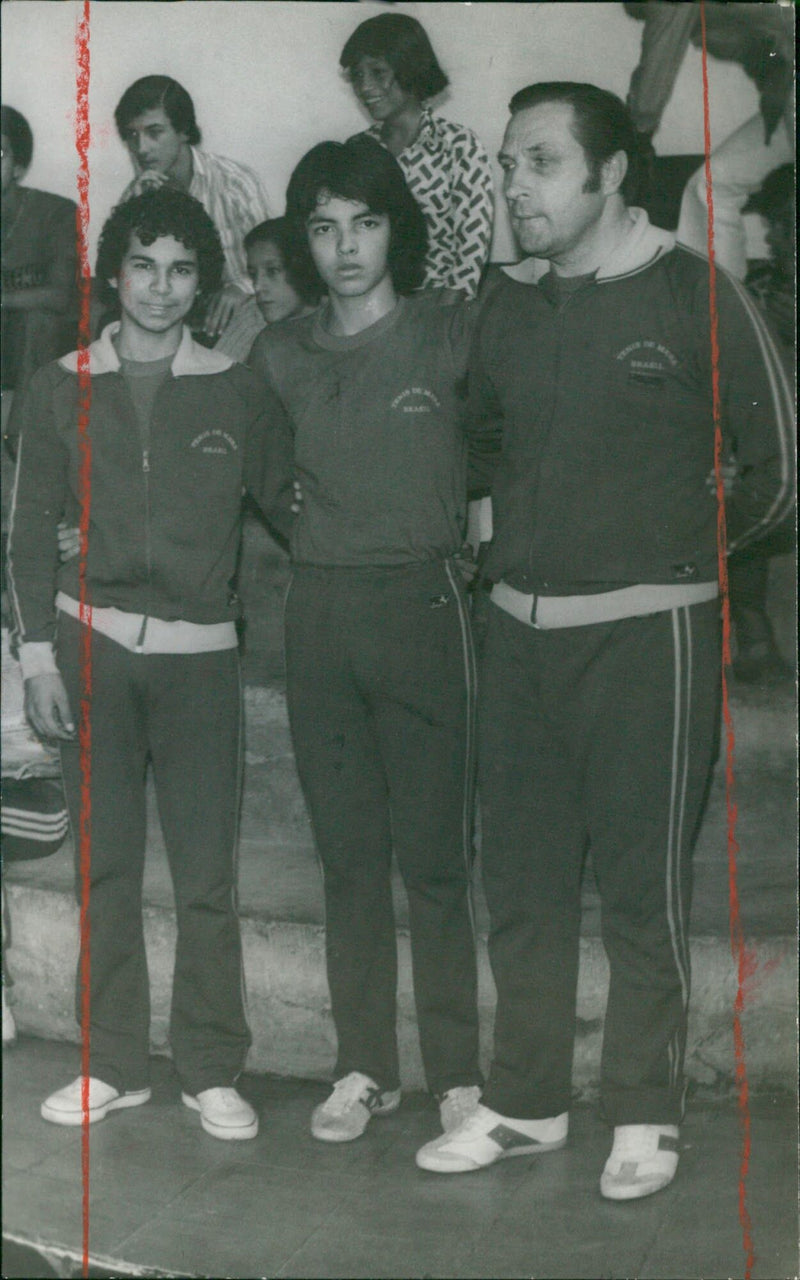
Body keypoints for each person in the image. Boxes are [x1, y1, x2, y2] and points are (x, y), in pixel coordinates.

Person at [415, 82, 793, 1197]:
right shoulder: (506, 305)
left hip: (646, 639)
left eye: (538, 163)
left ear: (610, 171)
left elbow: (779, 470)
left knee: (640, 889)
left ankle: (642, 1107)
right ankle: (524, 1100)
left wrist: (684, 553)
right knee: (523, 886)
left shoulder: (695, 296)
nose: (511, 185)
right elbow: (476, 436)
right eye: (505, 163)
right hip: (518, 637)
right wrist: (488, 531)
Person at [6, 188, 293, 1139]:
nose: (160, 288)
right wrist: (38, 656)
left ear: (202, 283)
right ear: (112, 275)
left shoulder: (237, 388)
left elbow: (295, 505)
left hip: (199, 665)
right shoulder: (59, 385)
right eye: (143, 266)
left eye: (180, 270)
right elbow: (26, 538)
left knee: (208, 874)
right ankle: (113, 1062)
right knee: (107, 867)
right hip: (90, 655)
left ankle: (212, 1066)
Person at [248, 135, 482, 1145]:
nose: (345, 245)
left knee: (432, 858)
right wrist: (303, 520)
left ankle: (460, 1076)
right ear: (305, 239)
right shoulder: (278, 352)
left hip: (426, 609)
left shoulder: (451, 334)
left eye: (366, 221)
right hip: (322, 616)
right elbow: (259, 473)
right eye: (324, 226)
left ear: (398, 227)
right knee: (348, 857)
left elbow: (505, 447)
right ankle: (362, 1067)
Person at [624, 2, 794, 280]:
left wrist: (635, 138)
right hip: (785, 92)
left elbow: (653, 81)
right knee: (712, 186)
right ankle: (725, 307)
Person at [340, 12, 494, 300]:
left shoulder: (458, 145)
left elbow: (469, 256)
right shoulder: (357, 149)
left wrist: (437, 323)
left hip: (438, 308)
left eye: (378, 72)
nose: (364, 87)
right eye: (357, 75)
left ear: (410, 70)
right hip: (368, 306)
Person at [114, 76, 271, 343]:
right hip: (172, 320)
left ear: (184, 130)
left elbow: (274, 263)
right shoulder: (135, 195)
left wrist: (241, 288)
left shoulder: (235, 184)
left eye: (154, 132)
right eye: (132, 135)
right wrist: (140, 208)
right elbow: (120, 282)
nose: (141, 148)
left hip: (238, 315)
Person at [728, 163, 795, 683]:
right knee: (732, 476)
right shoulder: (762, 283)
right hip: (772, 444)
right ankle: (752, 636)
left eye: (782, 223)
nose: (772, 236)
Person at [1, 106, 78, 463]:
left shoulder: (55, 212)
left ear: (19, 164)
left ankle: (25, 444)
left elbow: (60, 296)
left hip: (32, 342)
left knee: (38, 322)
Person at [215, 217, 321, 363]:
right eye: (253, 274)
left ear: (302, 267)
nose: (257, 286)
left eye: (272, 271)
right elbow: (212, 380)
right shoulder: (253, 316)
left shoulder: (340, 316)